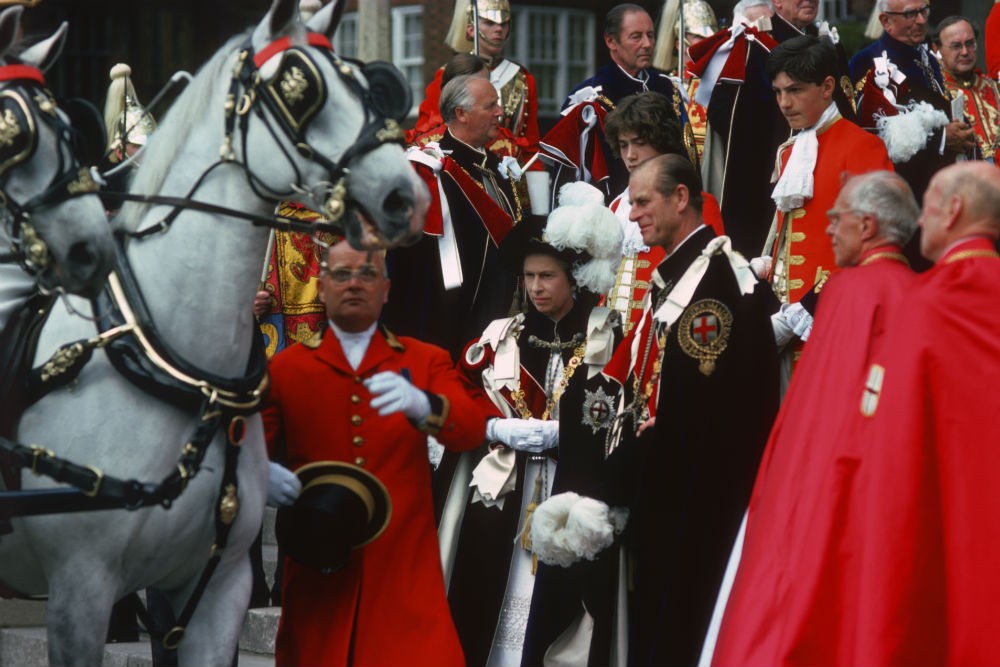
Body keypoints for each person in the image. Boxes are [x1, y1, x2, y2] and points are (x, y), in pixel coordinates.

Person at [711, 170, 919, 665]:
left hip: (831, 484)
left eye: (837, 217)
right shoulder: (911, 290)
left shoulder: (851, 291)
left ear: (867, 226)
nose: (828, 228)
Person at [262, 239, 490, 667]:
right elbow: (245, 448)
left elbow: (472, 428)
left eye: (367, 274)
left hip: (402, 570)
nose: (354, 284)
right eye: (341, 274)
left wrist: (426, 405)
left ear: (386, 289)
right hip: (320, 573)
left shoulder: (424, 360)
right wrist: (257, 475)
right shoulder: (287, 368)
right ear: (322, 286)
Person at [601, 154, 779, 665]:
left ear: (681, 198)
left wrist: (626, 467)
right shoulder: (689, 273)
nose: (632, 214)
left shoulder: (712, 287)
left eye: (642, 201)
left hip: (695, 505)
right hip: (683, 491)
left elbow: (706, 415)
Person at [444, 182, 623, 667]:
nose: (537, 288)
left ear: (573, 279)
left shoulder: (608, 335)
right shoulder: (501, 337)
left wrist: (575, 437)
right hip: (504, 495)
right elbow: (454, 394)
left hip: (573, 493)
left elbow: (628, 407)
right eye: (529, 277)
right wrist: (492, 428)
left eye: (548, 276)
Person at [765, 36, 893, 368]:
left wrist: (810, 307)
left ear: (826, 87)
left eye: (794, 90)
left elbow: (873, 247)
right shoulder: (791, 149)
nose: (784, 103)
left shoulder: (862, 147)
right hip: (783, 315)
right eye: (779, 92)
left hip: (829, 318)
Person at [383, 74, 521, 362]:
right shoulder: (428, 172)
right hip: (442, 335)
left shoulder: (496, 169)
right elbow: (406, 270)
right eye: (490, 106)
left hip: (496, 330)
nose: (500, 112)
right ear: (461, 114)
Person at [601, 92, 724, 335]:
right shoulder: (617, 206)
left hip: (661, 334)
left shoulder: (699, 203)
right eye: (624, 145)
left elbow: (706, 281)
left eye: (639, 142)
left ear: (661, 141)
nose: (630, 155)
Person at [410, 1, 550, 214]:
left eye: (504, 24)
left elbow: (530, 145)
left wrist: (540, 210)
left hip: (508, 167)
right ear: (471, 27)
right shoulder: (447, 73)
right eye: (489, 23)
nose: (498, 30)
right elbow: (434, 130)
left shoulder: (522, 78)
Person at [849, 0, 974, 211]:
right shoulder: (867, 63)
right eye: (910, 14)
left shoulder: (928, 57)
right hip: (901, 196)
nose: (922, 20)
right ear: (885, 20)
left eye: (924, 10)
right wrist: (942, 138)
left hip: (936, 187)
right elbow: (875, 134)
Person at [556, 4, 690, 198]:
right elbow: (569, 179)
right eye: (636, 36)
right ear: (611, 41)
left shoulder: (670, 89)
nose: (647, 44)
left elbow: (687, 159)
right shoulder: (588, 98)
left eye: (650, 35)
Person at [652, 0, 719, 161]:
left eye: (709, 35)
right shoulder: (664, 86)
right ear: (679, 43)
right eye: (697, 35)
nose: (706, 41)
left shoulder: (719, 83)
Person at [935, 16, 1000, 162]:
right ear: (937, 48)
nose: (965, 52)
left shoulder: (994, 86)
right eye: (956, 46)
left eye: (970, 44)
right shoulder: (934, 91)